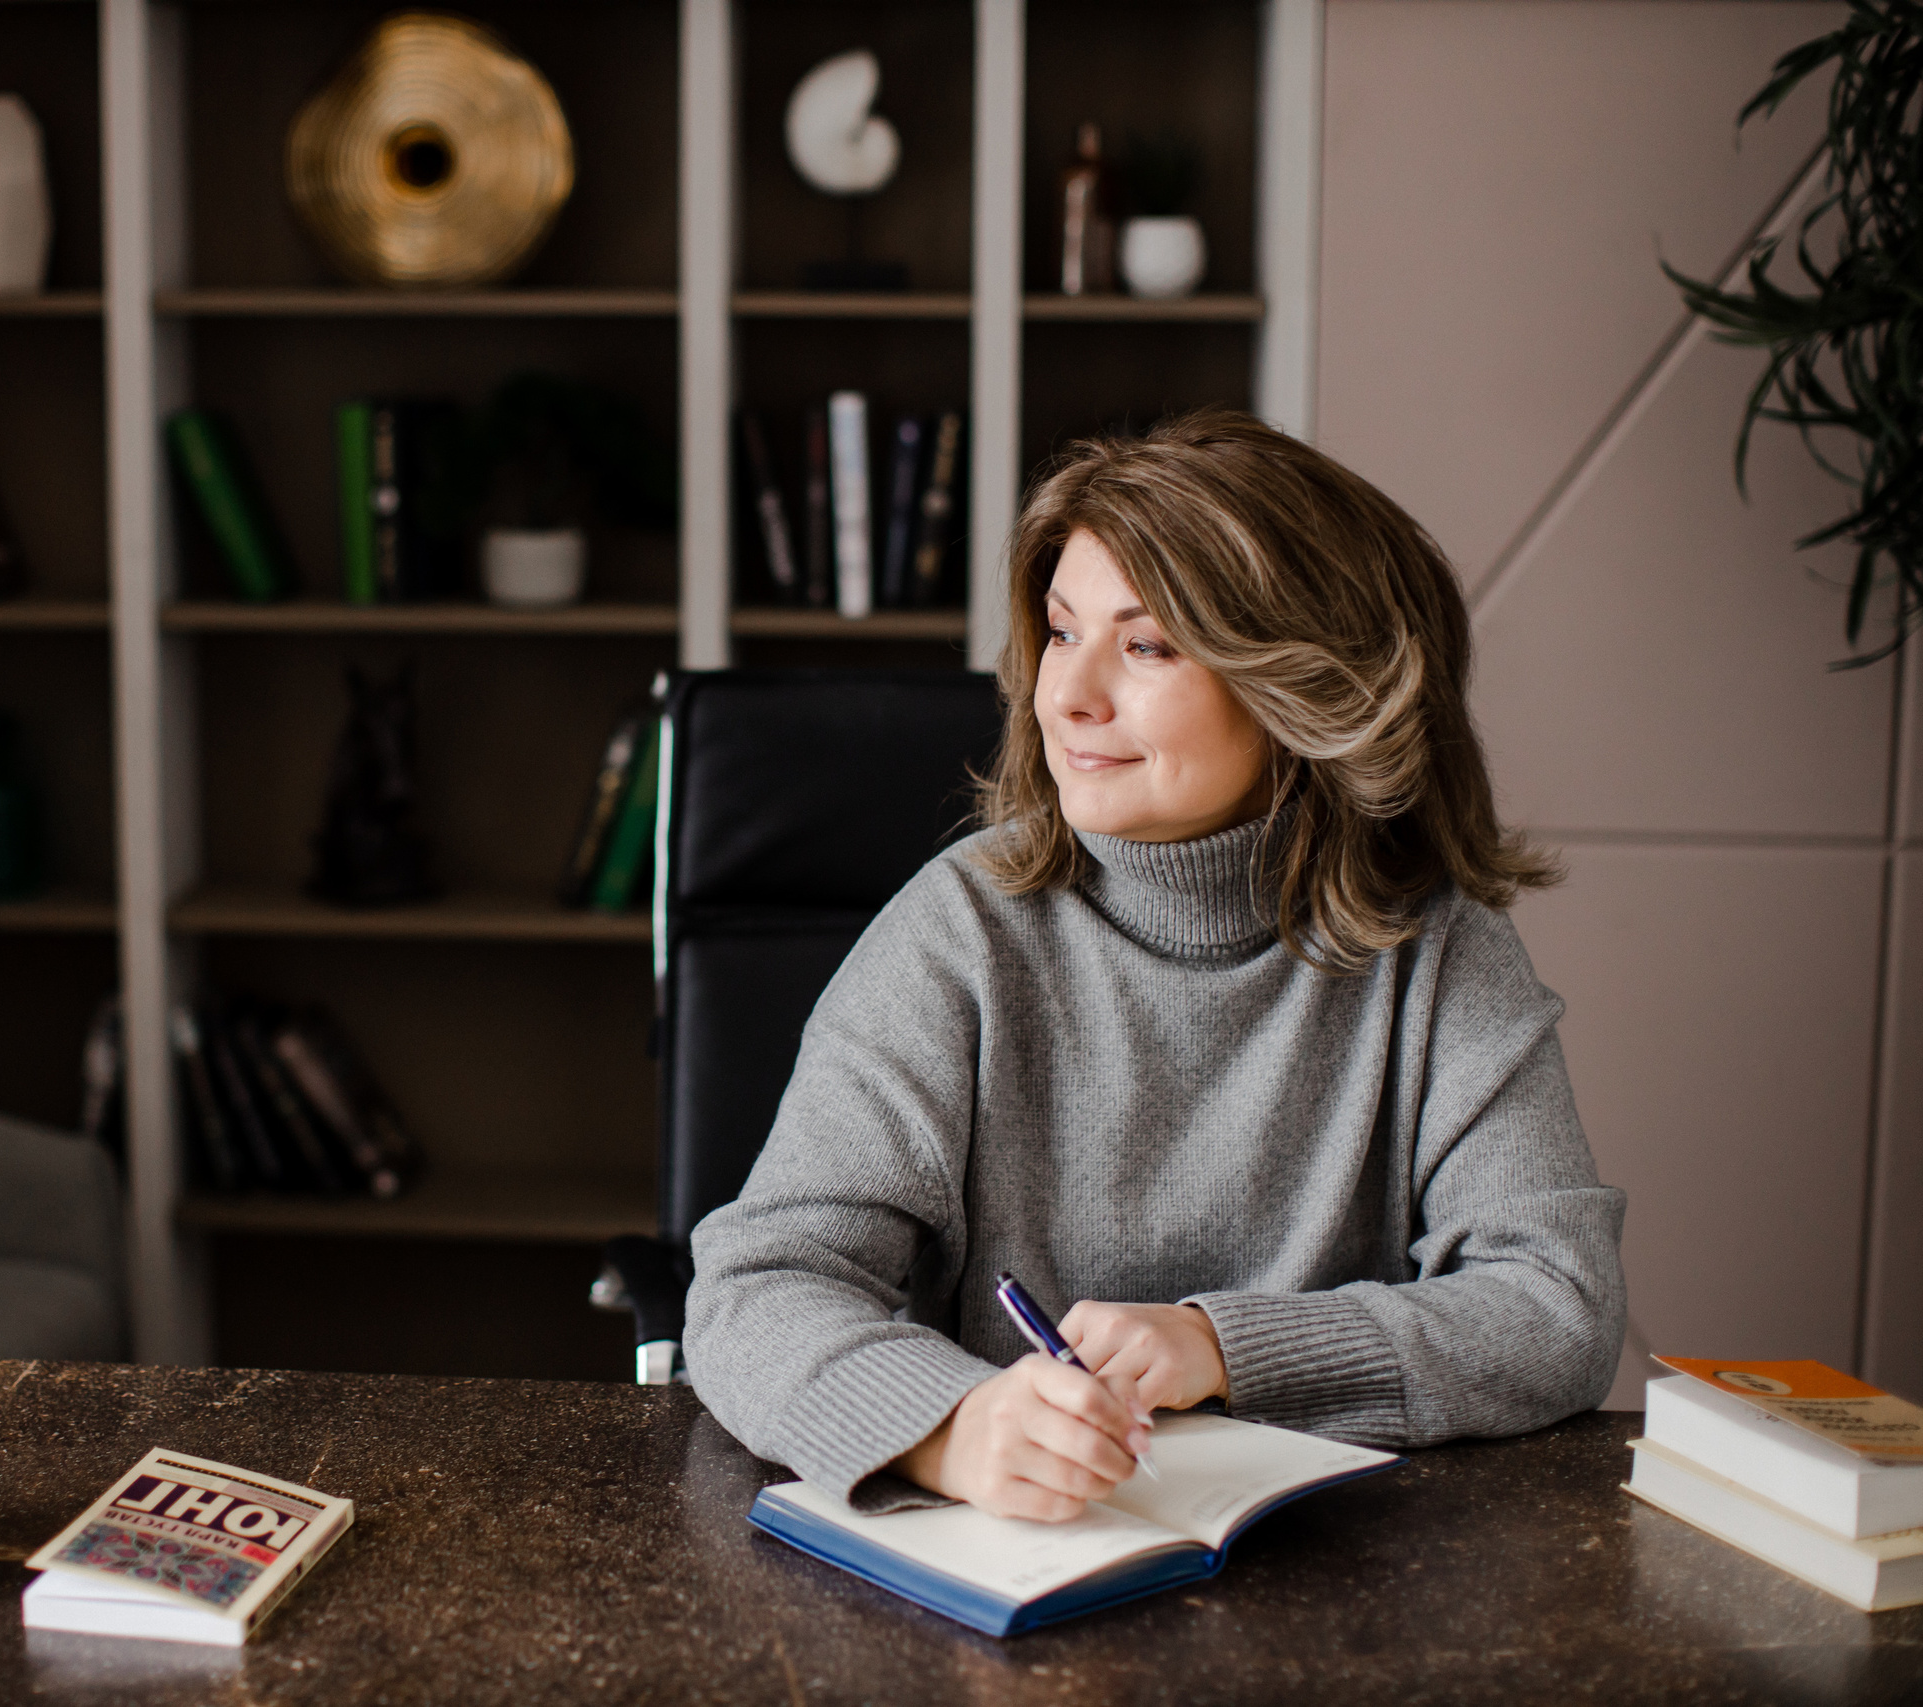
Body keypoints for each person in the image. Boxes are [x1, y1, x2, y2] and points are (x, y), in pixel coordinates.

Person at [684, 410, 1627, 1522]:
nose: (1067, 694)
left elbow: (1556, 1307)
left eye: (1145, 645)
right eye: (1060, 629)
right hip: (1026, 1575)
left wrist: (1224, 1346)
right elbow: (754, 1293)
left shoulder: (1441, 946)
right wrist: (951, 1429)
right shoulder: (960, 932)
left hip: (1335, 1586)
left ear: (1309, 688)